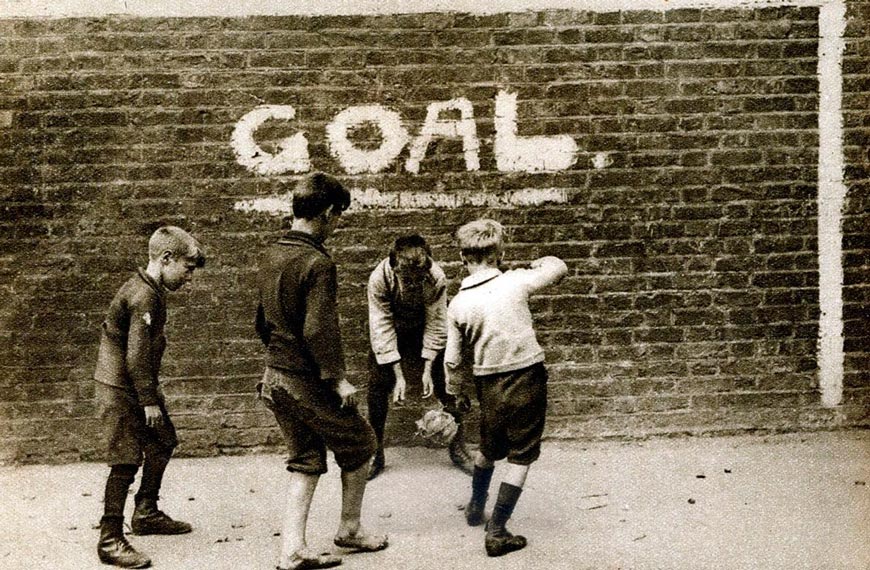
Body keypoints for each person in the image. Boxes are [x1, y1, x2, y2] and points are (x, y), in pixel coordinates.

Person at [255, 172, 388, 570]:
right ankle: (349, 529)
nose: (337, 224)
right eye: (339, 216)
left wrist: (281, 356)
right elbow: (318, 329)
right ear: (329, 213)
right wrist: (338, 379)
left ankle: (292, 549)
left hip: (274, 376)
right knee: (362, 443)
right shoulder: (317, 263)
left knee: (306, 457)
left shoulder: (271, 253)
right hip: (304, 380)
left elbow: (262, 323)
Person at [444, 219, 568, 558]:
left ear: (461, 256)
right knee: (521, 455)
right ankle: (497, 530)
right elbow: (558, 267)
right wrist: (531, 265)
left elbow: (453, 360)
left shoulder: (457, 304)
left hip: (488, 384)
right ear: (500, 253)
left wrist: (457, 393)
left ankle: (475, 507)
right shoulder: (516, 281)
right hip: (527, 379)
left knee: (487, 447)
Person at [94, 226, 206, 568]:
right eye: (187, 269)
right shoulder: (143, 295)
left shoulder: (151, 290)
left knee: (162, 439)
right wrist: (148, 400)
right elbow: (136, 356)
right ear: (166, 258)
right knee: (125, 459)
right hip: (120, 389)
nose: (189, 278)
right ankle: (110, 538)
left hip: (135, 385)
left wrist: (148, 394)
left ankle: (145, 512)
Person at [365, 234, 474, 480]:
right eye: (407, 279)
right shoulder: (379, 278)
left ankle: (457, 447)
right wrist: (398, 374)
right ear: (394, 269)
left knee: (448, 379)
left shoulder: (436, 277)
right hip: (392, 328)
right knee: (377, 384)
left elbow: (437, 321)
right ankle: (376, 451)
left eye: (418, 280)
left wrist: (428, 369)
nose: (413, 285)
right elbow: (381, 325)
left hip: (423, 326)